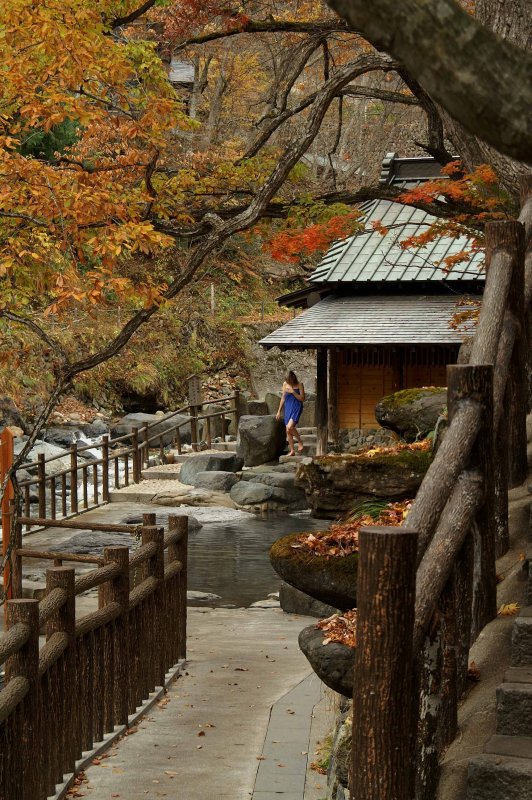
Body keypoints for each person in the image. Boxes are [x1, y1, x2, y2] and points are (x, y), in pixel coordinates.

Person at [276, 370, 305, 456]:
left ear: (293, 377)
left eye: (289, 380)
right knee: (287, 431)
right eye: (287, 380)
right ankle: (292, 451)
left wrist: (293, 392)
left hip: (296, 407)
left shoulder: (300, 385)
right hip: (288, 407)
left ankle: (300, 442)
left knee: (289, 427)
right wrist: (278, 411)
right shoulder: (285, 384)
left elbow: (302, 399)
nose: (288, 382)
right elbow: (283, 398)